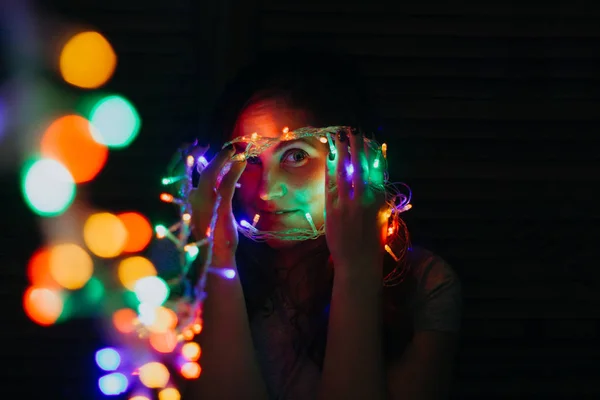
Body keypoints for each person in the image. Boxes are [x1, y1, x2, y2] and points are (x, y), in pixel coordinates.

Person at [160, 50, 462, 399]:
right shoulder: (176, 276)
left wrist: (356, 271)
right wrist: (218, 259)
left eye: (296, 156)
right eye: (250, 159)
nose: (267, 191)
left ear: (361, 160)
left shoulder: (425, 284)